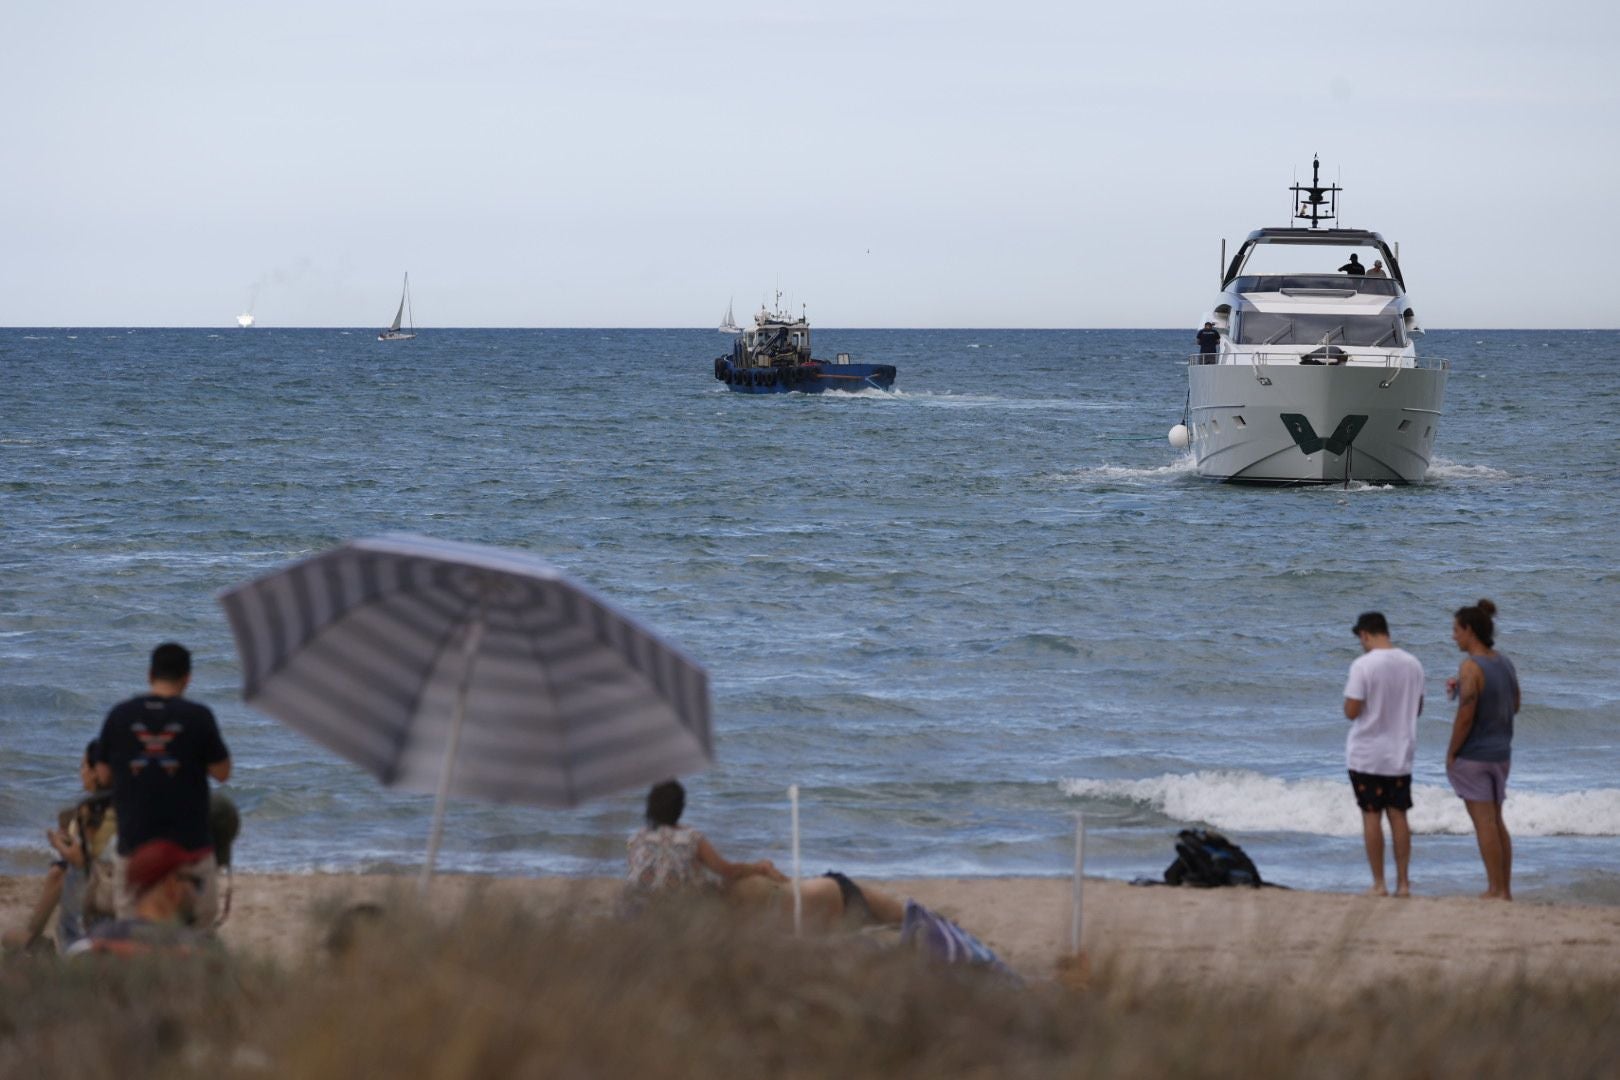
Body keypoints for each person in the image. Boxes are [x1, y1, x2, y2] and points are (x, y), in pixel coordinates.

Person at [625, 780, 905, 928]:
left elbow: (642, 876)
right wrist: (758, 867)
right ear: (680, 808)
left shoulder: (635, 839)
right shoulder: (690, 838)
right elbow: (726, 870)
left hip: (647, 912)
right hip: (685, 912)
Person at [96, 642, 232, 926]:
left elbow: (103, 776)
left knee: (133, 939)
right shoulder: (198, 717)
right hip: (190, 848)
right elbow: (222, 772)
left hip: (134, 847)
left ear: (149, 675)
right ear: (187, 678)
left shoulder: (120, 715)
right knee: (196, 936)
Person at [1, 740, 119, 953]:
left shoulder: (90, 813)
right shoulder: (135, 809)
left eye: (84, 766)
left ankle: (33, 938)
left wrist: (61, 846)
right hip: (133, 903)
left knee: (61, 871)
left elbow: (65, 870)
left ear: (98, 772)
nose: (80, 773)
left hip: (99, 907)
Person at [1342, 612, 1425, 898]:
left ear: (1365, 634)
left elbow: (1352, 711)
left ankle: (1379, 884)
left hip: (1367, 754)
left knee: (1371, 815)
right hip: (1400, 753)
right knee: (1399, 816)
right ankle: (1403, 883)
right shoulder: (1413, 664)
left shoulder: (1363, 665)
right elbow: (1417, 708)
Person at [1445, 599, 1520, 900]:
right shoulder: (1503, 662)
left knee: (1484, 823)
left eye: (1456, 630)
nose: (1453, 636)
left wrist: (1451, 753)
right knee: (1497, 820)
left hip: (1475, 755)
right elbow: (1514, 704)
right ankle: (1505, 889)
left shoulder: (1470, 667)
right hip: (1501, 753)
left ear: (1470, 631)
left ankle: (1494, 888)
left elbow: (1465, 716)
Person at [67, 839, 213, 956]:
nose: (197, 892)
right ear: (171, 885)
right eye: (195, 882)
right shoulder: (198, 949)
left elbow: (74, 956)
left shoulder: (96, 941)